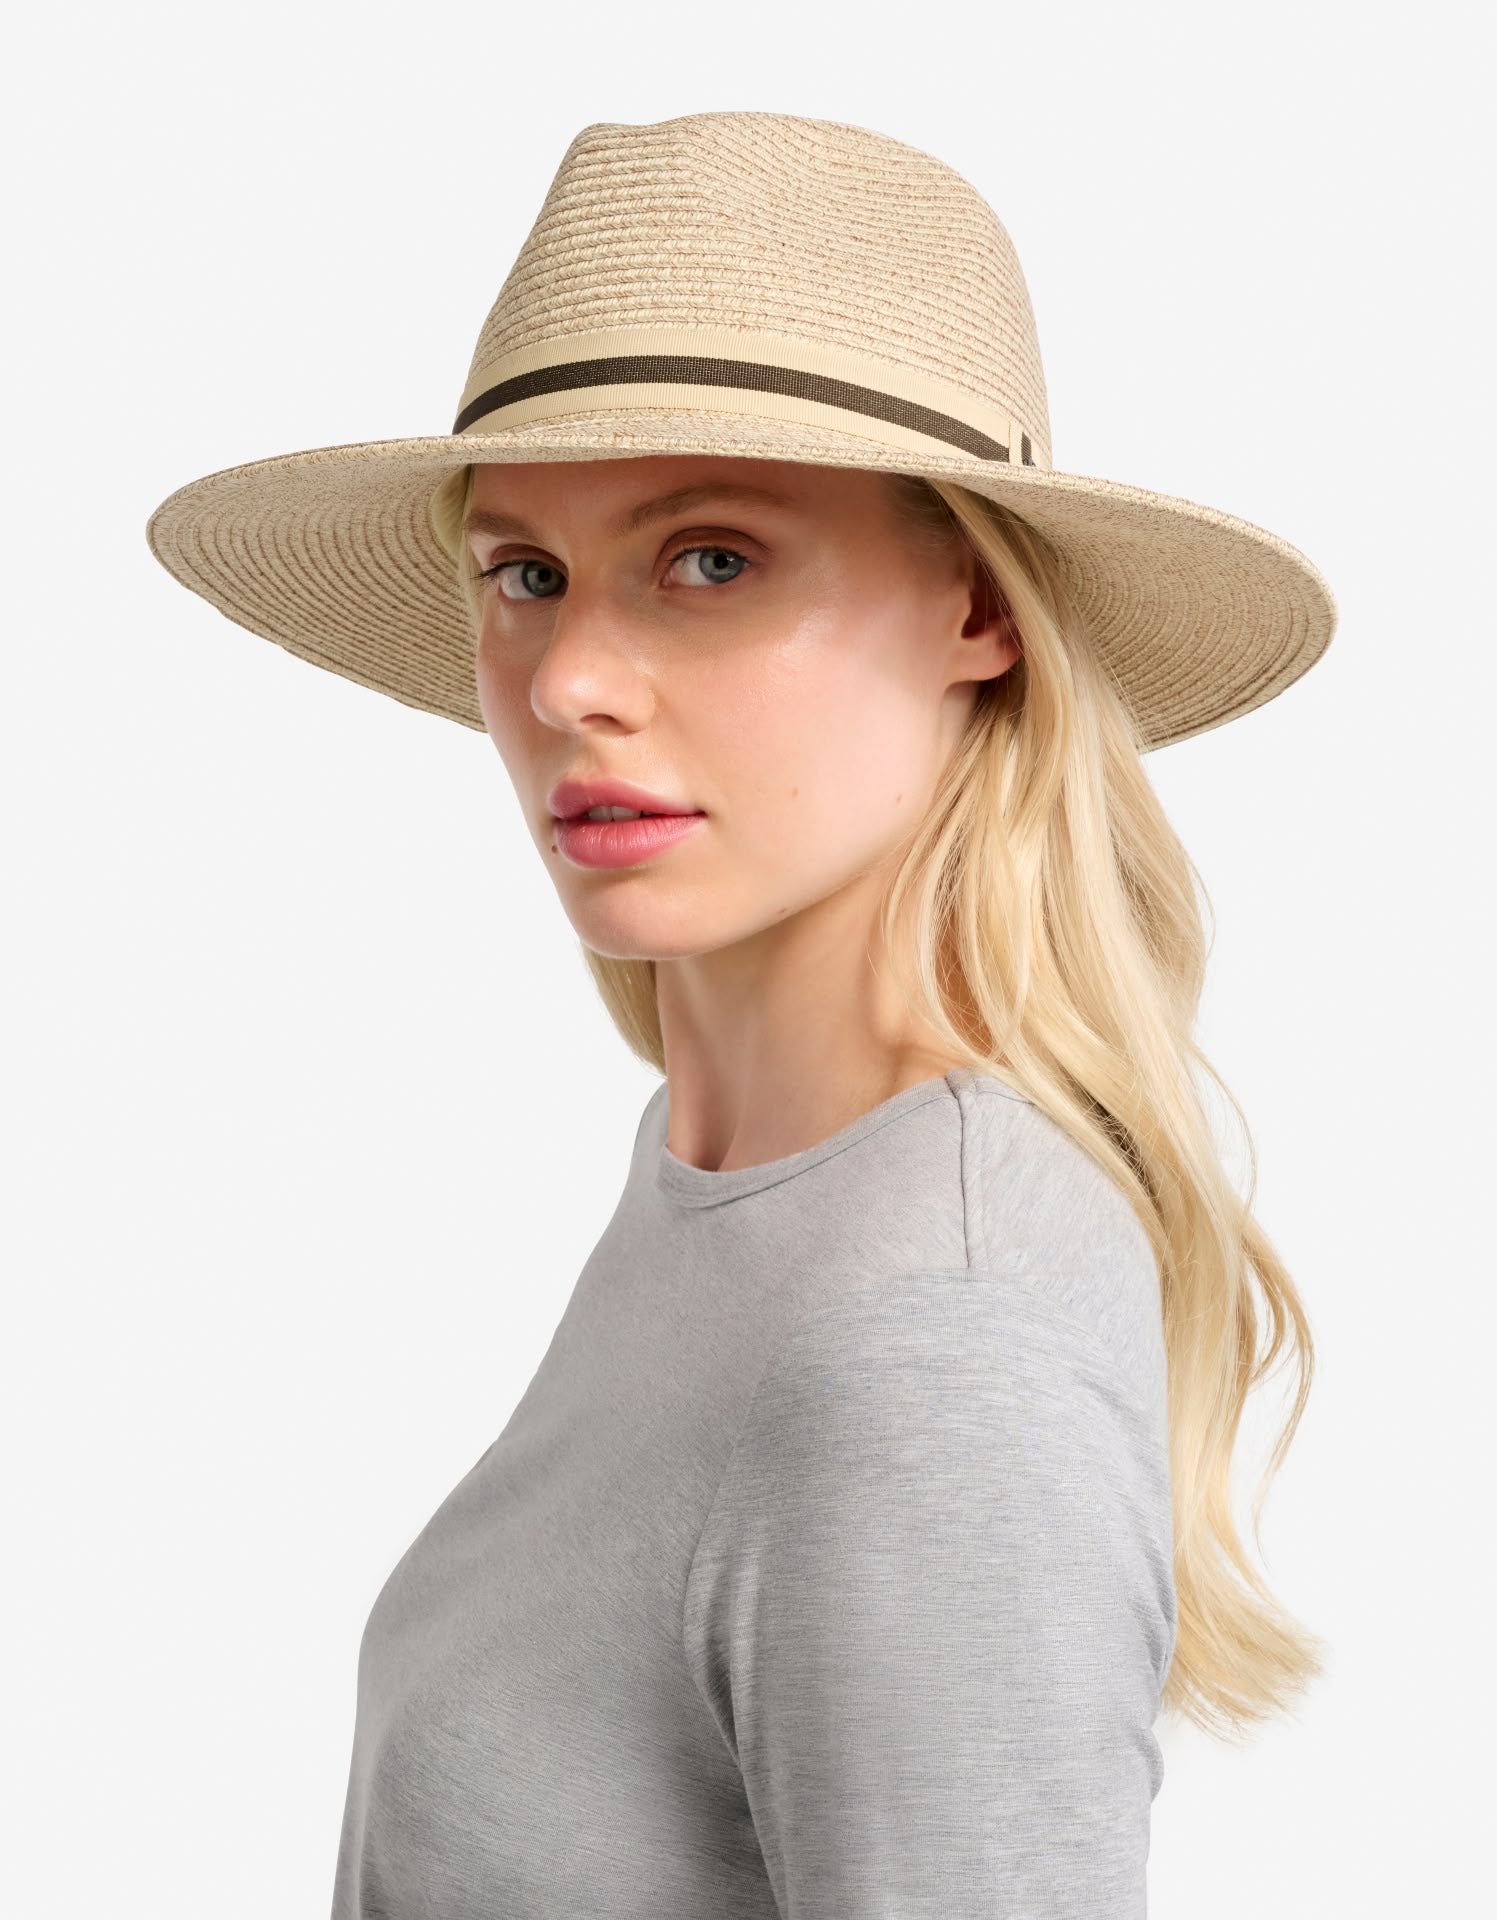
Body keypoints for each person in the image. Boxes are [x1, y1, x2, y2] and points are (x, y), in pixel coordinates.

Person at [146, 110, 1336, 1919]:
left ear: (976, 607)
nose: (568, 680)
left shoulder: (928, 1348)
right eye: (523, 573)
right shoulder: (737, 1178)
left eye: (711, 559)